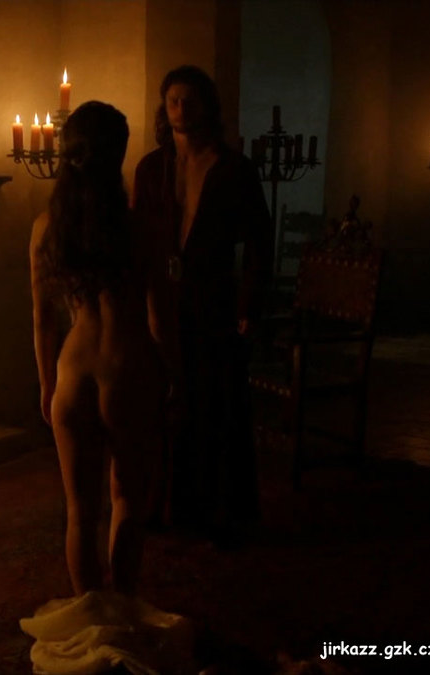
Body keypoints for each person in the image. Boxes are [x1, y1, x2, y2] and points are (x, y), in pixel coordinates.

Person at [22, 101, 192, 675]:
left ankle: (92, 630)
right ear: (117, 156)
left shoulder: (46, 227)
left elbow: (42, 320)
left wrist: (46, 385)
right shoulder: (141, 225)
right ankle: (119, 620)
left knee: (79, 511)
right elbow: (160, 319)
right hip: (127, 368)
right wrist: (175, 376)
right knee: (127, 504)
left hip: (73, 374)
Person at [132, 65, 274, 542]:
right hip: (161, 303)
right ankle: (163, 504)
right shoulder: (152, 169)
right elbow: (137, 238)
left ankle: (220, 509)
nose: (180, 109)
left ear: (207, 106)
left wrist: (248, 307)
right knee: (165, 402)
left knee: (216, 404)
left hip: (214, 301)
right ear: (163, 106)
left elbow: (259, 244)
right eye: (173, 100)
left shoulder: (234, 170)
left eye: (189, 100)